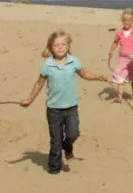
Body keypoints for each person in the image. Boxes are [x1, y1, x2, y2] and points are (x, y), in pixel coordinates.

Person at [22, 30, 112, 174]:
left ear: (68, 46)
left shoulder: (74, 61)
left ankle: (68, 147)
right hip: (53, 110)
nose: (60, 47)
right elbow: (39, 84)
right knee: (55, 142)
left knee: (73, 134)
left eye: (63, 44)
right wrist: (29, 100)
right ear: (51, 47)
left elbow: (84, 74)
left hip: (71, 108)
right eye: (56, 45)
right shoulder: (47, 64)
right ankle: (54, 169)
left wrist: (100, 77)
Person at [106, 9, 133, 103]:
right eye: (124, 20)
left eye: (128, 20)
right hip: (122, 58)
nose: (126, 22)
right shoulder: (119, 33)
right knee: (120, 78)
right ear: (122, 20)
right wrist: (111, 51)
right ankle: (119, 98)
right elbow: (115, 42)